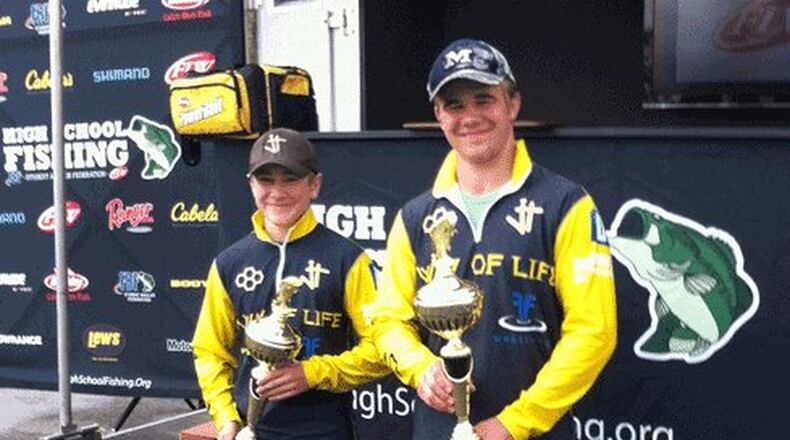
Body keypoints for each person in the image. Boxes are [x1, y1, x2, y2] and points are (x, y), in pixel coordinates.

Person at [369, 39, 617, 440]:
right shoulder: (415, 217)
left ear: (512, 104)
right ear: (438, 114)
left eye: (483, 99)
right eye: (454, 105)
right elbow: (387, 321)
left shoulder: (566, 204)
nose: (470, 116)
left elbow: (594, 331)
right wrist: (421, 369)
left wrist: (514, 423)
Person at [192, 128, 390, 440]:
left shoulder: (348, 259)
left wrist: (311, 374)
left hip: (326, 431)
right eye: (266, 180)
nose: (277, 191)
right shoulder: (229, 263)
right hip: (251, 430)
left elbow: (382, 350)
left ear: (315, 185)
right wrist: (226, 418)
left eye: (291, 179)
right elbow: (209, 351)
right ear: (250, 184)